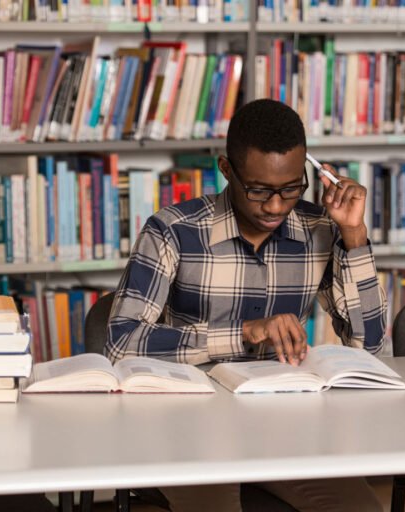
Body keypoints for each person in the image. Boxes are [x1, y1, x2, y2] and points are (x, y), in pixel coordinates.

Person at [105, 99, 386, 512]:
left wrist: (354, 236)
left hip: (285, 420)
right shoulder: (172, 231)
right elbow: (121, 342)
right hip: (187, 419)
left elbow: (372, 349)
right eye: (258, 190)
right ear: (226, 169)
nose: (274, 206)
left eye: (290, 189)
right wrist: (243, 332)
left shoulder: (321, 231)